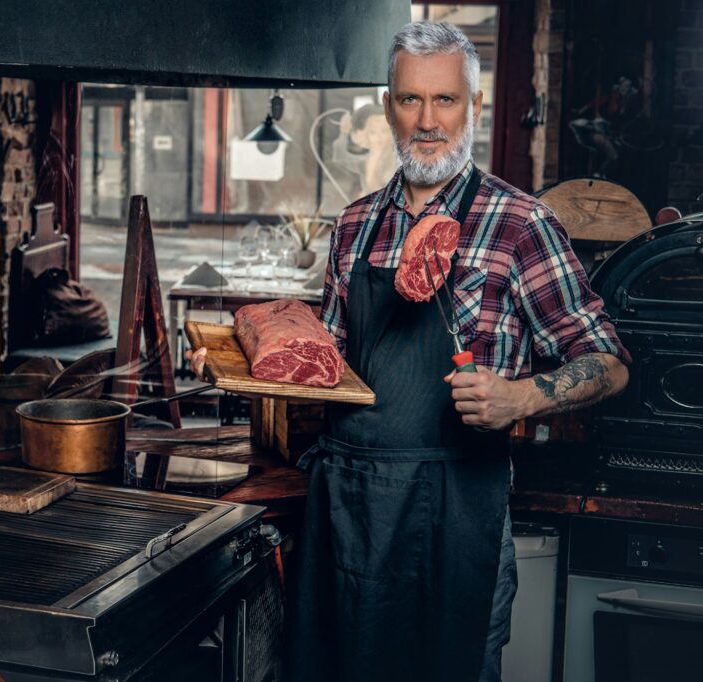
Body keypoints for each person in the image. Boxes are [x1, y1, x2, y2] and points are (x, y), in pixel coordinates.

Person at [191, 21, 630, 682]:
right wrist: (242, 365)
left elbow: (610, 360)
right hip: (350, 514)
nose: (427, 121)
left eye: (445, 100)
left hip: (458, 515)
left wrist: (523, 396)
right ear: (389, 106)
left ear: (472, 109)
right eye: (410, 100)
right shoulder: (355, 225)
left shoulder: (520, 224)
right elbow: (330, 370)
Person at [331, 103, 398, 197]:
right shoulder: (365, 162)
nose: (379, 138)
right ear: (366, 136)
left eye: (384, 131)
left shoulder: (401, 161)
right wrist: (344, 132)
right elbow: (340, 157)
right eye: (372, 132)